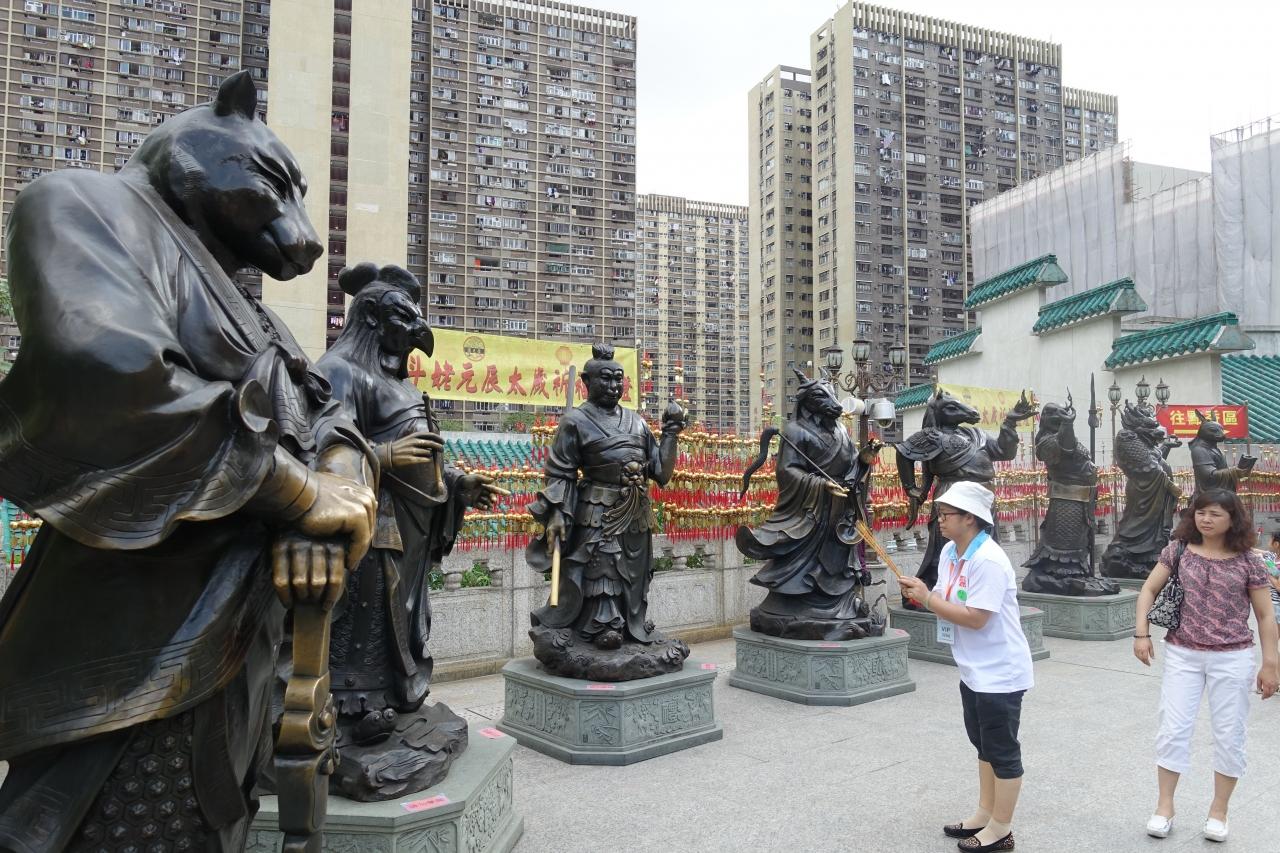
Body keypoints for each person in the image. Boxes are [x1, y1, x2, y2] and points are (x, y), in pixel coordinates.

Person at [1133, 488, 1279, 842]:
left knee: (1229, 733)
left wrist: (1270, 664)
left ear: (1233, 519)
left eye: (1215, 514)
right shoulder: (1178, 550)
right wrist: (1142, 633)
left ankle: (1219, 810)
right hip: (1182, 654)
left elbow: (1265, 615)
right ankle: (1164, 807)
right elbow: (1149, 589)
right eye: (1200, 512)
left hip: (1232, 657)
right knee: (1173, 729)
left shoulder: (1249, 561)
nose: (1206, 519)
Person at [899, 481, 1034, 852]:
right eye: (939, 513)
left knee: (1002, 751)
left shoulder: (988, 559)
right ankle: (984, 813)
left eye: (946, 514)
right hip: (973, 669)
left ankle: (1002, 829)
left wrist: (928, 600)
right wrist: (923, 593)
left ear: (971, 518)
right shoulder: (949, 552)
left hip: (1000, 673)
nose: (939, 520)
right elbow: (947, 597)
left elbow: (976, 618)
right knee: (983, 745)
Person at [1267, 533, 1280, 627]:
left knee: (1276, 633)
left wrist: (1267, 573)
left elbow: (1279, 587)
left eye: (1270, 540)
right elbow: (1256, 551)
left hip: (1278, 604)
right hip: (1272, 602)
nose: (1268, 542)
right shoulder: (1274, 556)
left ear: (1276, 544)